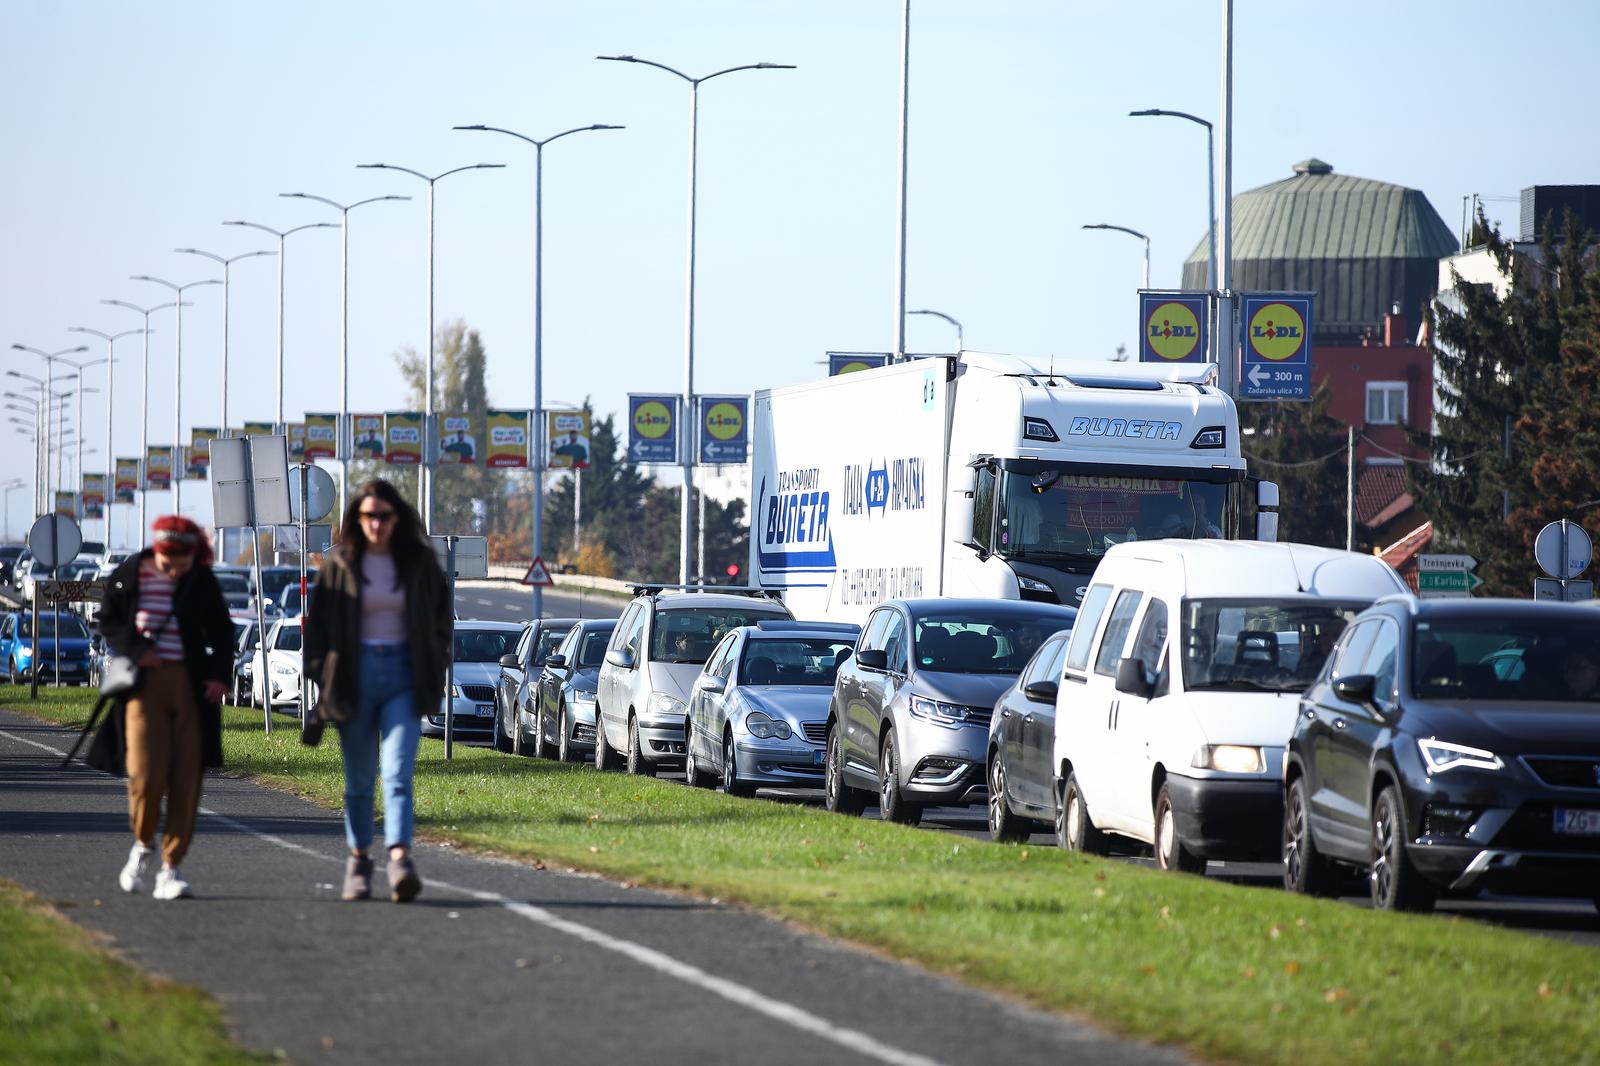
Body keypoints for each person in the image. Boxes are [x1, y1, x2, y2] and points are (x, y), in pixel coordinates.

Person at [304, 479, 451, 903]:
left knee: (398, 771)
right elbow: (319, 627)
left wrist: (435, 663)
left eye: (384, 516)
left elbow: (442, 619)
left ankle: (401, 859)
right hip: (354, 678)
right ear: (357, 518)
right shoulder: (340, 564)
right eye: (369, 516)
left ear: (397, 518)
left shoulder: (419, 563)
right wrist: (321, 675)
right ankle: (359, 860)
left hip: (404, 676)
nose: (376, 524)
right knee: (358, 781)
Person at [98, 515, 233, 901]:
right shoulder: (131, 572)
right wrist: (140, 649)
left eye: (181, 562)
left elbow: (222, 630)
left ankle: (171, 869)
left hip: (191, 689)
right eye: (166, 562)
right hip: (145, 689)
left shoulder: (201, 579)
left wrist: (220, 675)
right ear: (155, 551)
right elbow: (108, 620)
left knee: (186, 780)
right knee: (145, 774)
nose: (173, 570)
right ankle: (142, 846)